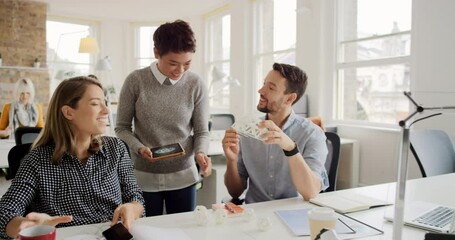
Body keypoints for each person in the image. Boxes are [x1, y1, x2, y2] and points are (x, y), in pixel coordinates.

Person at [0, 76, 144, 239]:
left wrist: (133, 207)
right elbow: (5, 212)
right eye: (96, 103)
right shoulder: (37, 161)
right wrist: (27, 226)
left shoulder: (116, 149)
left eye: (104, 102)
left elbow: (135, 195)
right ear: (68, 112)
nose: (106, 110)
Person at [115, 19, 211, 217]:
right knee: (145, 230)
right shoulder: (135, 81)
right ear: (156, 53)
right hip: (143, 176)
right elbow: (122, 128)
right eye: (173, 63)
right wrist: (138, 147)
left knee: (183, 230)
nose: (180, 71)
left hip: (184, 175)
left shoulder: (196, 83)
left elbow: (201, 131)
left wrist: (201, 153)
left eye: (187, 64)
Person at [223, 63, 329, 204]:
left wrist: (291, 148)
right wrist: (231, 160)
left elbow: (310, 193)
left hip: (294, 215)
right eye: (264, 84)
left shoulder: (312, 134)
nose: (261, 90)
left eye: (271, 88)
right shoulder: (247, 131)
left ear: (289, 98)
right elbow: (235, 192)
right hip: (255, 212)